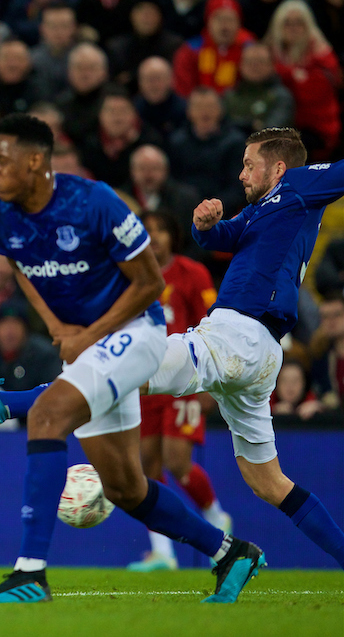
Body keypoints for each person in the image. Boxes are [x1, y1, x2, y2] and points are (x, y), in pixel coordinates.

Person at [0, 114, 264, 604]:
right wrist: (56, 327)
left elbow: (151, 283)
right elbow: (19, 264)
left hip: (138, 334)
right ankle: (230, 553)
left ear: (35, 161)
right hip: (90, 348)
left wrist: (87, 333)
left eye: (1, 159)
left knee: (49, 416)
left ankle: (29, 573)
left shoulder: (94, 203)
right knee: (126, 488)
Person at [144, 127, 344, 570]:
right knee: (267, 481)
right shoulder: (259, 213)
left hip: (241, 334)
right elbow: (222, 240)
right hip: (259, 350)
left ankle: (7, 403)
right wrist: (204, 225)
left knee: (125, 369)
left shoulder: (299, 183)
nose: (240, 175)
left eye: (248, 164)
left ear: (277, 167)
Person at [128, 210, 232, 572]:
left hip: (186, 379)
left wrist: (210, 381)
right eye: (147, 230)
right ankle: (162, 553)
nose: (154, 237)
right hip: (144, 382)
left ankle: (216, 518)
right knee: (148, 466)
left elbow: (214, 321)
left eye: (160, 229)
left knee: (177, 461)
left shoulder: (193, 273)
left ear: (174, 235)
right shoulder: (131, 276)